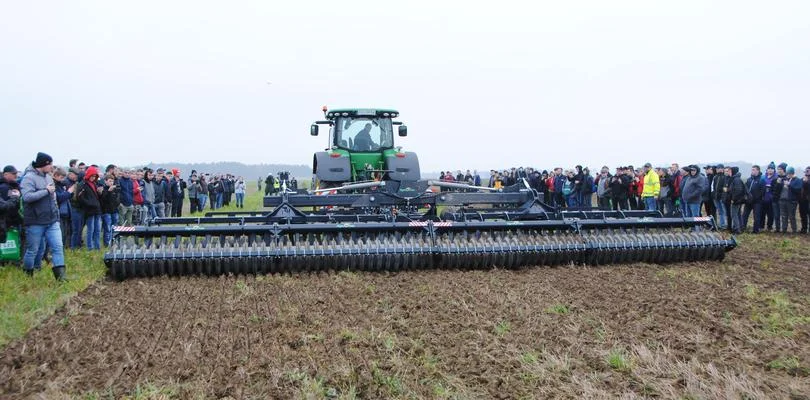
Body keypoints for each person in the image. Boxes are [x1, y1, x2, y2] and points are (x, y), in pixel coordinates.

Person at [20, 152, 66, 280]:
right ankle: (28, 275)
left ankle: (61, 278)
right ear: (43, 164)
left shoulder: (48, 177)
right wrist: (45, 191)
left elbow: (53, 198)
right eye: (50, 164)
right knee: (32, 250)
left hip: (52, 220)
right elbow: (27, 197)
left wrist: (56, 213)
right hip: (35, 221)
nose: (52, 167)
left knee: (58, 247)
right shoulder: (28, 178)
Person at [77, 166, 103, 250]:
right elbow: (80, 198)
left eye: (95, 176)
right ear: (88, 175)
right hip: (89, 211)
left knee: (98, 229)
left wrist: (100, 193)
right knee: (90, 230)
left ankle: (97, 246)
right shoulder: (82, 184)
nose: (93, 178)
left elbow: (97, 197)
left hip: (97, 210)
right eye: (92, 176)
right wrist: (90, 204)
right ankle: (90, 247)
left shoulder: (94, 184)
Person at [777, 166, 802, 233]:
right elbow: (780, 188)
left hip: (791, 201)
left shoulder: (797, 180)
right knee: (783, 216)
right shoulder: (785, 179)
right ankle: (784, 230)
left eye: (789, 173)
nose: (788, 175)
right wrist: (779, 183)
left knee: (791, 216)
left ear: (792, 173)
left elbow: (798, 190)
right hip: (782, 200)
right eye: (787, 173)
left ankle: (794, 230)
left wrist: (789, 185)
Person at [741, 165, 765, 233]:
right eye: (752, 170)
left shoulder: (761, 180)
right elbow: (745, 188)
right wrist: (746, 197)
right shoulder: (749, 179)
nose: (752, 171)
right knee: (744, 215)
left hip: (757, 202)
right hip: (748, 202)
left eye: (754, 170)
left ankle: (755, 230)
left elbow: (762, 192)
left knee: (756, 216)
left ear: (758, 170)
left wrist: (755, 198)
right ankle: (742, 227)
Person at [100, 174, 120, 246]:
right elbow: (103, 200)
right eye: (110, 181)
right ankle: (107, 243)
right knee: (107, 228)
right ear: (105, 181)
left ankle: (114, 242)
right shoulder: (103, 189)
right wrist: (108, 191)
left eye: (112, 181)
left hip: (114, 211)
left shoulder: (115, 190)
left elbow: (117, 200)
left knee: (115, 228)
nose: (111, 183)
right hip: (106, 211)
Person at [728, 167, 746, 234]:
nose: (728, 172)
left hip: (736, 201)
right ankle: (740, 227)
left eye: (729, 171)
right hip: (738, 200)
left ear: (733, 171)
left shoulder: (736, 179)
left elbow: (738, 191)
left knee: (734, 215)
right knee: (738, 214)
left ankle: (736, 229)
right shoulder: (736, 179)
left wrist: (733, 199)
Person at [761, 162, 778, 231]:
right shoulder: (763, 177)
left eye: (772, 169)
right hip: (763, 198)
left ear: (774, 170)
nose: (770, 170)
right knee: (762, 214)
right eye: (769, 169)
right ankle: (761, 226)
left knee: (771, 214)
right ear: (767, 170)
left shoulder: (776, 177)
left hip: (771, 199)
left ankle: (769, 226)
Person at [800, 167, 810, 234]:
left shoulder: (806, 181)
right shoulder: (802, 179)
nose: (807, 172)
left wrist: (806, 182)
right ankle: (804, 229)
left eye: (808, 171)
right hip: (802, 200)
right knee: (803, 215)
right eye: (806, 171)